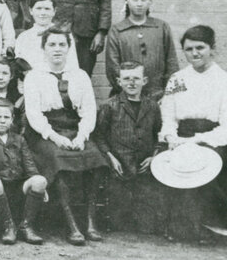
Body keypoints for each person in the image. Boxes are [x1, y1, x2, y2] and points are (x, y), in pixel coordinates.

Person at [23, 25, 107, 245]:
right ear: (44, 48)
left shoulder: (80, 76)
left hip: (75, 130)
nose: (57, 49)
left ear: (69, 48)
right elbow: (34, 114)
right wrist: (55, 137)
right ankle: (72, 226)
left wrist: (81, 136)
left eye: (62, 44)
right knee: (58, 161)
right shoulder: (34, 77)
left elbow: (89, 110)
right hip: (46, 134)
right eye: (52, 44)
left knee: (96, 159)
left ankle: (90, 222)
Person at [158, 25, 227, 241]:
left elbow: (225, 126)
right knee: (169, 165)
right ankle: (181, 226)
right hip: (180, 136)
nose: (195, 53)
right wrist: (171, 137)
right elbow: (168, 115)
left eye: (200, 48)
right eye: (189, 49)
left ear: (212, 48)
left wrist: (197, 140)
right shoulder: (178, 79)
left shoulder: (222, 80)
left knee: (205, 166)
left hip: (212, 138)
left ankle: (210, 226)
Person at [94, 61, 163, 234]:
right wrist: (111, 158)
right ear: (119, 82)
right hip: (120, 168)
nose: (131, 83)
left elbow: (158, 134)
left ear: (144, 81)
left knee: (147, 227)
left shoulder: (153, 106)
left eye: (136, 78)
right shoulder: (109, 106)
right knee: (119, 224)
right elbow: (99, 136)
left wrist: (154, 156)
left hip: (144, 169)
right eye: (126, 79)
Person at [0, 99, 47, 245]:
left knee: (40, 180)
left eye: (6, 117)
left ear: (12, 119)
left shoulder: (19, 139)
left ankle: (26, 226)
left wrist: (40, 184)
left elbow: (29, 164)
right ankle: (8, 226)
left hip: (19, 185)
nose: (2, 121)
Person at [105, 0, 178, 98]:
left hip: (158, 96)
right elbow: (113, 69)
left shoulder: (161, 27)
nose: (139, 4)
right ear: (126, 1)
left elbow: (172, 63)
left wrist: (166, 95)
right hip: (127, 97)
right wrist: (131, 93)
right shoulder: (117, 31)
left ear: (150, 1)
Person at [14, 0, 79, 72]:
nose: (43, 13)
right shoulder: (23, 37)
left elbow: (72, 64)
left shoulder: (64, 35)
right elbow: (20, 65)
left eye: (47, 9)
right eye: (38, 8)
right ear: (31, 10)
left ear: (54, 11)